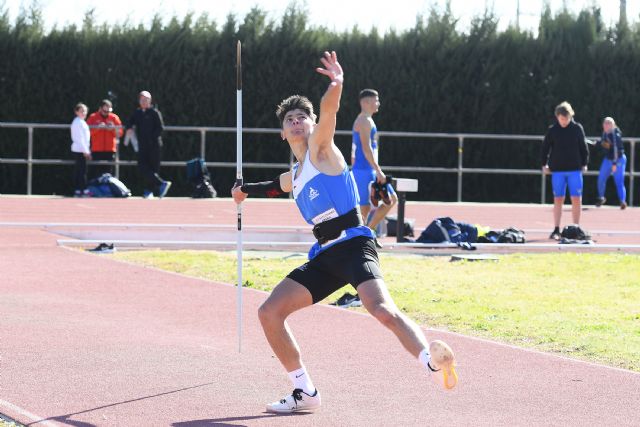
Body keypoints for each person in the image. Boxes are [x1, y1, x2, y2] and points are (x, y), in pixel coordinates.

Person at [232, 51, 457, 414]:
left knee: (381, 309)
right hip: (324, 257)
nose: (296, 122)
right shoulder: (297, 172)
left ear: (310, 124)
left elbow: (330, 111)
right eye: (289, 119)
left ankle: (429, 362)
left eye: (302, 117)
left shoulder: (322, 149)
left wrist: (336, 84)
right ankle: (304, 392)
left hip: (354, 245)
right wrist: (244, 190)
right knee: (269, 311)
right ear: (282, 131)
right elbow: (279, 184)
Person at [351, 89, 398, 247]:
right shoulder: (364, 120)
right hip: (363, 170)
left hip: (367, 169)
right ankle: (361, 240)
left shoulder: (367, 120)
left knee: (390, 200)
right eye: (375, 100)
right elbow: (366, 149)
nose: (378, 103)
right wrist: (378, 171)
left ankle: (368, 233)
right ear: (365, 102)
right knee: (364, 209)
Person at [541, 101, 589, 240]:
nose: (564, 121)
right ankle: (556, 228)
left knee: (576, 199)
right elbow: (545, 148)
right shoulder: (553, 130)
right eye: (561, 119)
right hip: (558, 171)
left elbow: (583, 147)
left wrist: (584, 163)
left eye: (566, 118)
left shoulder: (577, 128)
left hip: (575, 169)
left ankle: (576, 227)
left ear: (570, 116)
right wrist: (544, 164)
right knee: (558, 199)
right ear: (557, 117)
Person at [125, 91, 171, 198]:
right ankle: (161, 184)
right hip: (143, 145)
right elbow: (129, 122)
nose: (144, 102)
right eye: (142, 100)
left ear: (150, 101)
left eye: (146, 100)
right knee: (142, 167)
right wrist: (129, 128)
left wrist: (151, 139)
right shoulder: (137, 113)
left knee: (154, 168)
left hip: (154, 146)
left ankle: (150, 191)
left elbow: (160, 128)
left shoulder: (155, 113)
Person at [596, 117, 627, 209]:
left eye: (608, 123)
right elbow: (606, 144)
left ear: (613, 125)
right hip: (608, 159)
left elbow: (616, 149)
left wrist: (614, 163)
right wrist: (596, 143)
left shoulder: (615, 135)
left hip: (618, 160)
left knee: (619, 181)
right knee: (601, 179)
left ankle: (622, 201)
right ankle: (601, 198)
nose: (606, 125)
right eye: (605, 123)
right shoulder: (605, 133)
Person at [86, 99, 123, 178]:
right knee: (95, 173)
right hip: (96, 150)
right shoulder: (93, 117)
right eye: (105, 111)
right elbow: (86, 133)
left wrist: (112, 129)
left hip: (110, 150)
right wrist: (97, 128)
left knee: (109, 174)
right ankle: (94, 189)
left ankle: (107, 190)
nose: (107, 113)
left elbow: (120, 133)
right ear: (100, 108)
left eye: (108, 111)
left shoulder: (114, 118)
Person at [70, 103, 92, 197]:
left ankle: (79, 190)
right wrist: (86, 151)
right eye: (81, 111)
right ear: (76, 112)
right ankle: (83, 190)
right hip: (80, 150)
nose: (84, 113)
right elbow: (80, 138)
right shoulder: (78, 122)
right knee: (82, 171)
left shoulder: (80, 122)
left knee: (80, 171)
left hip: (80, 149)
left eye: (85, 111)